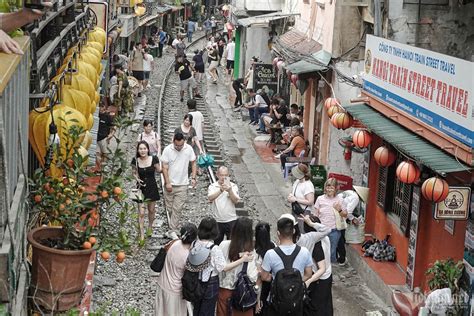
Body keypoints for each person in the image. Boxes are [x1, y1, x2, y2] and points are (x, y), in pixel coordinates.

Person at [260, 214, 313, 316]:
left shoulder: (270, 254)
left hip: (277, 300)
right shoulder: (304, 251)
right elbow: (309, 274)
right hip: (297, 299)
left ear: (278, 233)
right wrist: (295, 281)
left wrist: (278, 281)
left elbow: (264, 276)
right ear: (293, 231)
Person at [216, 217, 257, 316]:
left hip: (224, 291)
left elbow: (220, 268)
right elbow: (252, 276)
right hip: (242, 294)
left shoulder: (224, 245)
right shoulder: (250, 250)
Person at [155, 223, 198, 316]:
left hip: (162, 283)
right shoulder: (187, 256)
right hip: (175, 292)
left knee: (161, 312)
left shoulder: (173, 243)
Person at [161, 132, 197, 231]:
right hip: (170, 184)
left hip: (182, 184)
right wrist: (167, 182)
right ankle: (173, 226)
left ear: (184, 142)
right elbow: (164, 167)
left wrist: (193, 178)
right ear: (173, 141)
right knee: (170, 208)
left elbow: (193, 163)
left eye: (181, 145)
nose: (179, 147)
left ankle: (172, 230)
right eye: (176, 145)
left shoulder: (188, 149)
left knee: (177, 209)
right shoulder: (168, 150)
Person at [298, 215, 333, 316]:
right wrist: (313, 224)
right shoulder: (325, 237)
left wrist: (308, 281)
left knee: (316, 307)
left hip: (319, 279)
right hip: (327, 275)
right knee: (326, 304)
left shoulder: (316, 244)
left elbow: (322, 269)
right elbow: (325, 229)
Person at [193, 217, 226, 316]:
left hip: (196, 281)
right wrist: (242, 260)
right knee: (207, 310)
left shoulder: (195, 244)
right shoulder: (214, 248)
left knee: (196, 308)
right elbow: (222, 267)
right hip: (210, 282)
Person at [131, 141, 161, 240]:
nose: (143, 151)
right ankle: (142, 235)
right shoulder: (135, 160)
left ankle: (150, 226)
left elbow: (159, 170)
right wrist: (137, 179)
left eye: (144, 148)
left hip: (152, 186)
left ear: (148, 149)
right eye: (141, 149)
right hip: (140, 188)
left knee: (151, 210)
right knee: (141, 212)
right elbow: (134, 172)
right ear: (138, 150)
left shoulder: (154, 159)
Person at [313, 178, 347, 263]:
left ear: (336, 188)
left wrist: (339, 210)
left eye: (331, 188)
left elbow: (345, 215)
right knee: (322, 250)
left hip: (334, 231)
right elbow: (315, 214)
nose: (329, 190)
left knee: (332, 251)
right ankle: (322, 268)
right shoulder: (320, 199)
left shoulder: (340, 199)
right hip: (322, 230)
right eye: (327, 187)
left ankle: (330, 267)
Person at [336, 186, 369, 265]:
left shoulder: (349, 192)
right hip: (339, 213)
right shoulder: (356, 198)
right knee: (341, 236)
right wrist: (353, 219)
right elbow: (348, 212)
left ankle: (338, 254)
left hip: (336, 210)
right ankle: (342, 258)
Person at [208, 166, 240, 245]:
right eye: (222, 175)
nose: (224, 177)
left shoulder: (233, 186)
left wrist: (230, 191)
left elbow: (236, 200)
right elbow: (210, 198)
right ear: (217, 175)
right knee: (217, 243)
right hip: (217, 220)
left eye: (226, 175)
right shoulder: (212, 186)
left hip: (231, 219)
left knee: (232, 244)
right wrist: (221, 190)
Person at [254, 222, 275, 315]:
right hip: (270, 282)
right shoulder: (273, 246)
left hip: (256, 284)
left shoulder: (254, 249)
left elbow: (258, 276)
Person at [288, 164, 315, 231]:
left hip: (303, 212)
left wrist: (295, 199)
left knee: (302, 231)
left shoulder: (308, 185)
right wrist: (290, 197)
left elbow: (310, 201)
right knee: (295, 229)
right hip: (295, 209)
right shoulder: (297, 181)